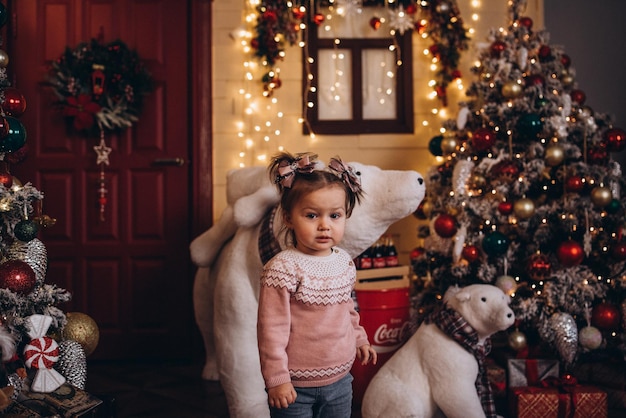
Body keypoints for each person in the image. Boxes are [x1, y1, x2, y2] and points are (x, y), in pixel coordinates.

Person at [257, 151, 377, 417]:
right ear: (288, 218)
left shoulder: (343, 261)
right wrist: (277, 379)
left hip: (341, 378)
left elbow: (347, 308)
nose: (325, 225)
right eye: (312, 216)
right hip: (295, 385)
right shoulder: (283, 268)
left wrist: (359, 339)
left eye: (335, 216)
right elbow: (271, 329)